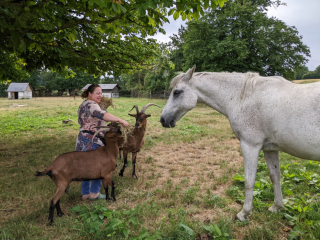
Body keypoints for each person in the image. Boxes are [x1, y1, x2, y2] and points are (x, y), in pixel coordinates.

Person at [76, 84, 129, 200]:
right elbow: (103, 115)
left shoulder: (83, 105)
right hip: (93, 140)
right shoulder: (93, 105)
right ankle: (94, 193)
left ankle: (85, 193)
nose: (100, 95)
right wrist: (120, 120)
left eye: (101, 93)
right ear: (90, 93)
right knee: (100, 167)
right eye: (97, 93)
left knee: (85, 167)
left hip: (81, 140)